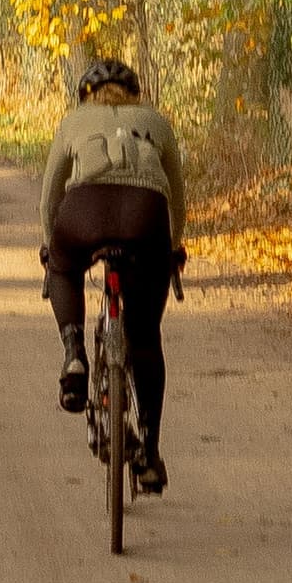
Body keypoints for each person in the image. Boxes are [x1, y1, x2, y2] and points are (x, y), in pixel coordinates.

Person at [37, 55, 186, 494]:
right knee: (144, 338)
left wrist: (52, 248)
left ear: (86, 95)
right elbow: (176, 198)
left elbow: (48, 200)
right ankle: (150, 454)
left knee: (64, 267)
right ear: (136, 95)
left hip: (84, 211)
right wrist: (172, 248)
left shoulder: (73, 122)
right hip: (146, 217)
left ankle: (73, 353)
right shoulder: (156, 121)